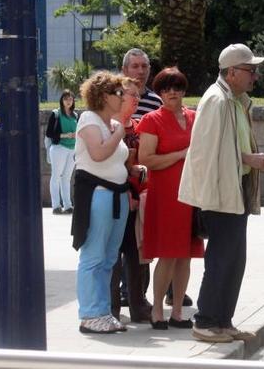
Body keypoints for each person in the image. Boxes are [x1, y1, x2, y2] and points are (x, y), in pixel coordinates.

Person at [178, 43, 264, 343]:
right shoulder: (217, 100)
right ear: (232, 72)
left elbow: (229, 147)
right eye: (250, 70)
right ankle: (205, 321)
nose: (254, 76)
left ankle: (223, 321)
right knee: (221, 259)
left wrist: (248, 160)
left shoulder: (235, 99)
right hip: (220, 194)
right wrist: (248, 159)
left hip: (234, 189)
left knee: (234, 260)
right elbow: (206, 154)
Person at [122, 48, 192, 309]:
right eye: (135, 66)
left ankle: (170, 296)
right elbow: (145, 153)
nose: (140, 71)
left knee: (173, 249)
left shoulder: (154, 99)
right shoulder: (120, 97)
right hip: (138, 183)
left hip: (168, 187)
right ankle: (135, 295)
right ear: (125, 70)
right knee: (139, 247)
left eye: (144, 66)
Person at [71, 71, 135, 334]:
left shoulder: (110, 124)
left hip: (117, 195)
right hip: (98, 195)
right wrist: (119, 132)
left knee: (109, 258)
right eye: (119, 93)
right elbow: (98, 154)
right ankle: (90, 314)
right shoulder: (89, 119)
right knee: (94, 256)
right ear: (104, 96)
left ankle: (103, 311)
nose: (123, 98)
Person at [137, 67, 200, 330]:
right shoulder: (152, 119)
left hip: (191, 193)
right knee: (167, 254)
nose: (172, 92)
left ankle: (177, 312)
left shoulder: (195, 116)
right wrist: (180, 155)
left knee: (185, 255)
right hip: (165, 196)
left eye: (177, 87)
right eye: (165, 88)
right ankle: (157, 311)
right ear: (159, 93)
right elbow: (145, 159)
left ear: (184, 90)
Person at [109, 77, 152, 323]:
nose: (137, 100)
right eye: (131, 96)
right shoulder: (109, 126)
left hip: (138, 200)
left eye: (138, 96)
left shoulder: (137, 126)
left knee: (137, 255)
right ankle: (113, 307)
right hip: (117, 199)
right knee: (113, 256)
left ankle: (138, 303)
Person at [45, 89, 78, 214]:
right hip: (59, 148)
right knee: (56, 176)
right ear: (62, 101)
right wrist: (65, 135)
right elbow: (49, 133)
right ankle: (56, 206)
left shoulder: (75, 115)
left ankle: (68, 205)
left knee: (67, 177)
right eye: (66, 99)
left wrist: (75, 135)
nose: (68, 101)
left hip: (72, 149)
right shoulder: (56, 114)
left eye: (70, 99)